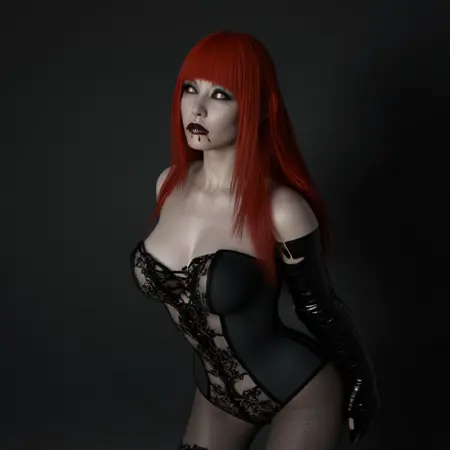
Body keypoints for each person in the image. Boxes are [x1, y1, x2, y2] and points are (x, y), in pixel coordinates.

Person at [130, 31, 380, 450]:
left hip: (299, 392)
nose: (198, 108)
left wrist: (361, 379)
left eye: (221, 95)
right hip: (217, 396)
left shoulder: (283, 210)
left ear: (260, 108)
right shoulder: (167, 186)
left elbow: (319, 307)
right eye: (190, 89)